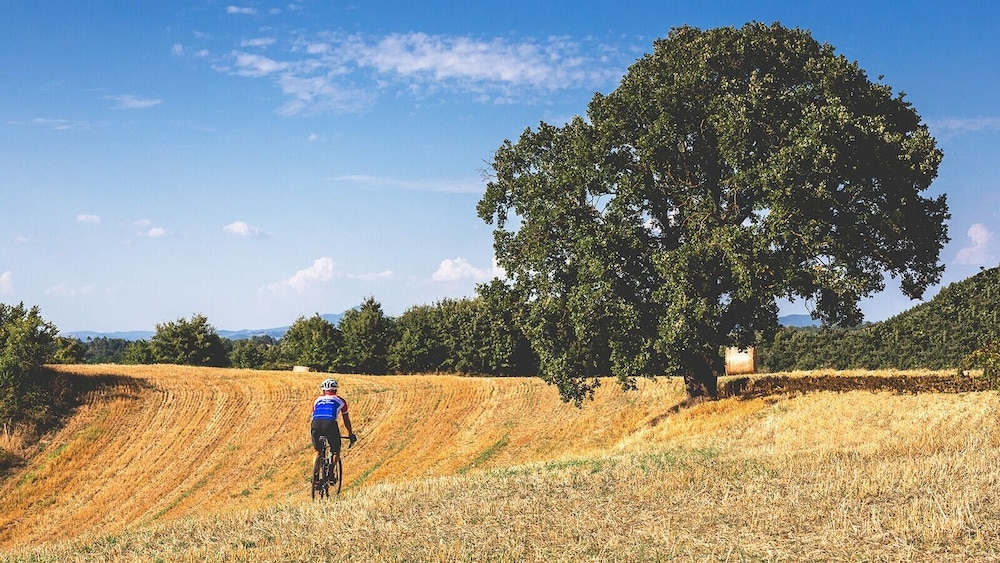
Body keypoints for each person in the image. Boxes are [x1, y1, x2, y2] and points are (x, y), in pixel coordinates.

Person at [310, 378, 356, 484]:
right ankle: (330, 472)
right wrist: (350, 433)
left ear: (323, 390)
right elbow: (346, 419)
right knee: (335, 450)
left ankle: (315, 477)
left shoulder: (317, 400)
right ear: (336, 390)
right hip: (330, 424)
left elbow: (313, 415)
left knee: (317, 451)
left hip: (315, 424)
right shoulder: (340, 400)